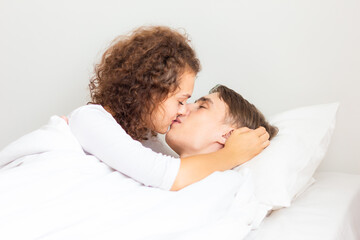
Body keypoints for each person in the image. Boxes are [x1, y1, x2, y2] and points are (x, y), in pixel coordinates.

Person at [67, 26, 270, 191]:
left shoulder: (146, 141)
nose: (183, 110)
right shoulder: (90, 119)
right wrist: (231, 154)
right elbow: (167, 174)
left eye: (199, 106)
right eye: (180, 100)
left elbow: (178, 169)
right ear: (150, 91)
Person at [165, 84, 278, 159]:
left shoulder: (221, 187)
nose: (184, 107)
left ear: (228, 135)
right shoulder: (155, 166)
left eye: (202, 107)